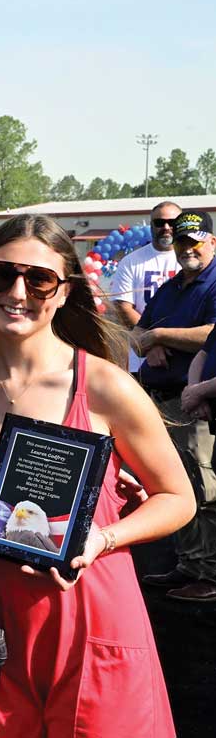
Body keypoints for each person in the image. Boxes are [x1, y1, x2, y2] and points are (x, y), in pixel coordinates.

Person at [0, 213, 194, 737]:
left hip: (93, 621)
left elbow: (177, 497)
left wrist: (102, 535)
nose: (18, 291)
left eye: (39, 280)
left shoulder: (106, 387)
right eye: (2, 275)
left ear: (62, 293)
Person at [138, 209, 216, 601]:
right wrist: (149, 342)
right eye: (183, 242)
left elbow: (209, 334)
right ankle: (189, 563)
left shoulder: (214, 282)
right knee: (177, 487)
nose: (188, 248)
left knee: (204, 489)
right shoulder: (171, 287)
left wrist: (159, 336)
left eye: (196, 241)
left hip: (197, 402)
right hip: (163, 402)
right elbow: (137, 333)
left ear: (213, 242)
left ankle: (210, 575)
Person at [110, 200, 181, 373]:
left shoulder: (192, 259)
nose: (166, 227)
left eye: (172, 222)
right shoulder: (131, 261)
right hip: (141, 358)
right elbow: (123, 308)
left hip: (184, 356)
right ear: (151, 226)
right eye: (159, 222)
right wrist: (152, 342)